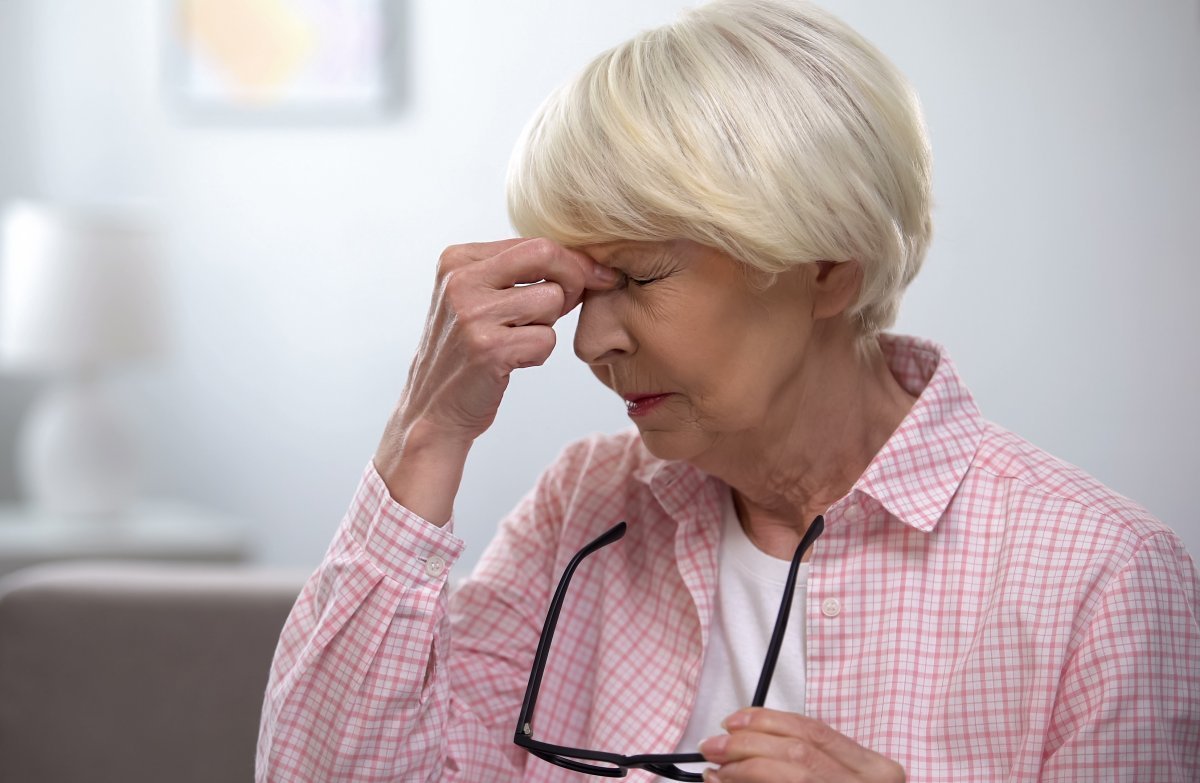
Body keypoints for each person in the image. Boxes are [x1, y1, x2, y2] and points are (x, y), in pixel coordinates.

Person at [255, 0, 1200, 780]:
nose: (590, 341)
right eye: (582, 289)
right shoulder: (584, 506)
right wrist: (427, 432)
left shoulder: (1101, 577)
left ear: (827, 268)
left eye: (638, 277)